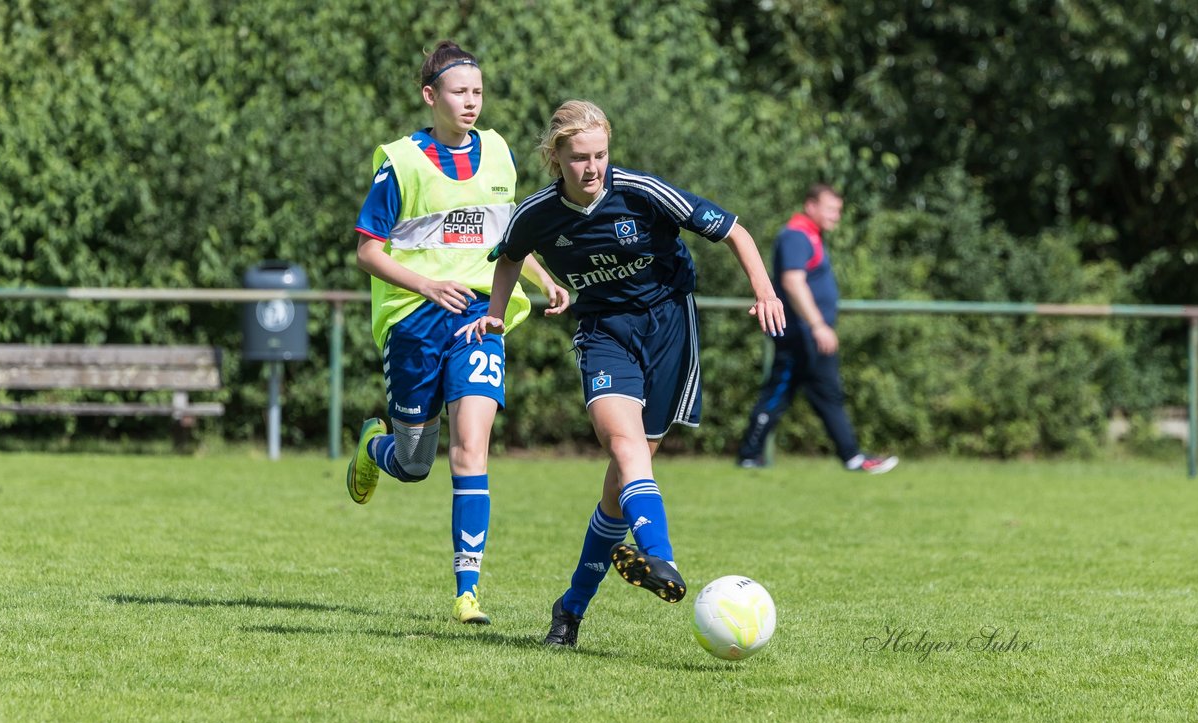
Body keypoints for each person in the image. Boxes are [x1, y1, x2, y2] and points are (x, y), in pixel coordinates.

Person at [458, 100, 785, 648]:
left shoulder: (641, 192)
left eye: (601, 155)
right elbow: (509, 254)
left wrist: (765, 291)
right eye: (580, 158)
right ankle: (662, 559)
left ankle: (570, 609)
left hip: (668, 326)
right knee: (624, 448)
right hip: (604, 332)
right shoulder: (537, 214)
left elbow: (734, 230)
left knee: (619, 489)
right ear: (555, 158)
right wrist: (495, 312)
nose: (593, 168)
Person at [347, 40, 569, 626]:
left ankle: (467, 591)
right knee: (415, 463)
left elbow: (505, 236)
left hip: (479, 317)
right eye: (458, 92)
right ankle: (375, 447)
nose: (471, 102)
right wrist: (424, 286)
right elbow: (368, 253)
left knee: (471, 449)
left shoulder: (497, 152)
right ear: (431, 96)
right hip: (415, 322)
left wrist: (543, 277)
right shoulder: (400, 162)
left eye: (477, 91)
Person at [736, 184, 898, 474]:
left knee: (813, 394)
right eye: (831, 209)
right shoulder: (797, 235)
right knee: (782, 393)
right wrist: (818, 325)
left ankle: (850, 456)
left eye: (839, 210)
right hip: (802, 335)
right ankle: (751, 454)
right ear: (810, 206)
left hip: (808, 334)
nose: (836, 216)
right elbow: (793, 282)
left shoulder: (810, 235)